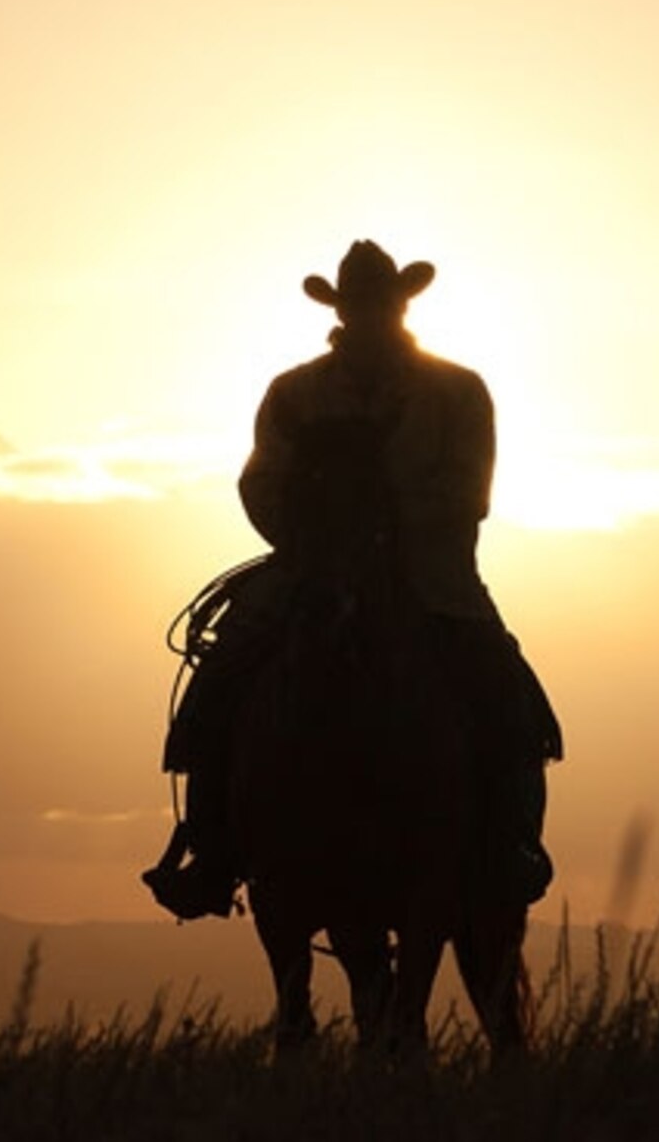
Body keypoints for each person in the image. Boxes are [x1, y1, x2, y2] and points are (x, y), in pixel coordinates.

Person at [142, 240, 561, 922]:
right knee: (219, 678)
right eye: (360, 305)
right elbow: (261, 480)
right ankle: (210, 848)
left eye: (381, 305)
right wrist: (311, 537)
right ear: (341, 310)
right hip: (312, 567)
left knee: (506, 694)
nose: (371, 317)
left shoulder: (457, 390)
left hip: (434, 577)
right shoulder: (295, 392)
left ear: (400, 306)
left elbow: (470, 490)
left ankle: (509, 845)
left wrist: (389, 523)